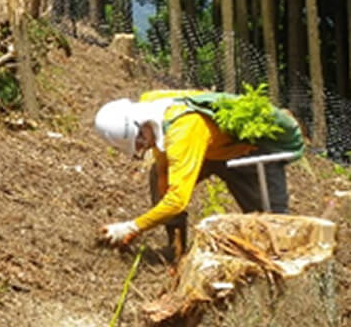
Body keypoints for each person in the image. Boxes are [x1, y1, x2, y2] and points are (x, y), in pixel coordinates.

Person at [93, 89, 305, 249]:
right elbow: (162, 165)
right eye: (137, 148)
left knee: (274, 223)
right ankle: (176, 247)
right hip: (209, 147)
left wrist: (132, 226)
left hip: (248, 150)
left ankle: (283, 265)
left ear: (141, 125)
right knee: (157, 177)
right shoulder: (151, 104)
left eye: (140, 143)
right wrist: (159, 192)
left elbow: (177, 200)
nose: (142, 148)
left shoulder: (182, 132)